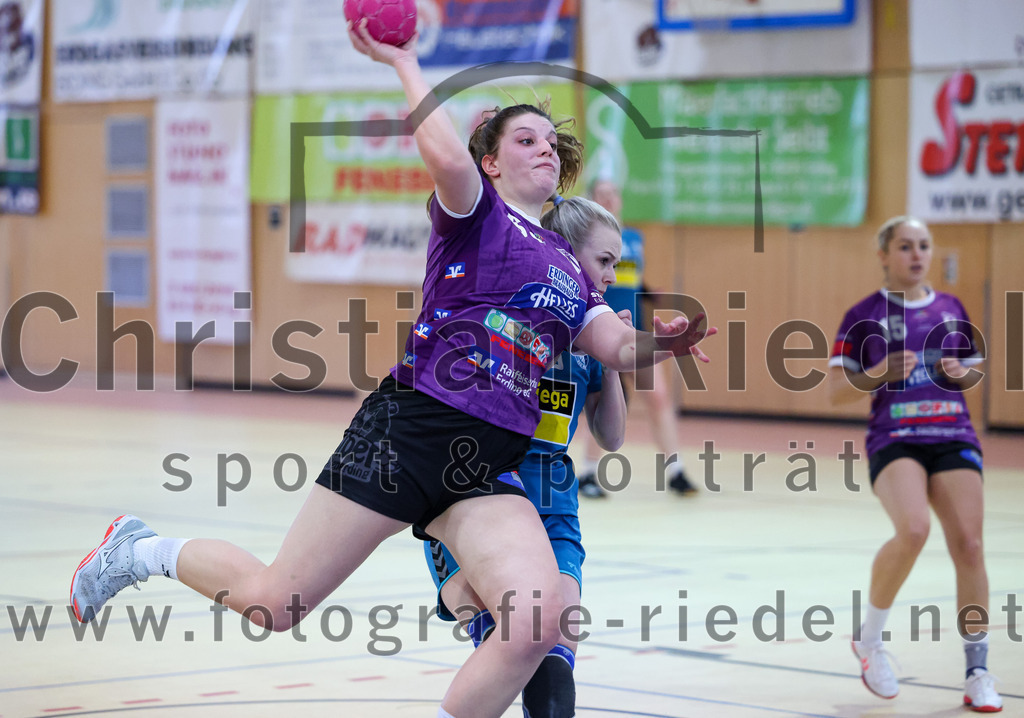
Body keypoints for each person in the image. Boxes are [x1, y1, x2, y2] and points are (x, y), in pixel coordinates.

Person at [69, 24, 715, 718]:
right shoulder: (479, 216)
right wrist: (406, 61)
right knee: (276, 602)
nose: (545, 150)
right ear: (491, 163)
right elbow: (444, 155)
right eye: (525, 139)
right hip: (409, 430)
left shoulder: (570, 269)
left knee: (536, 624)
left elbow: (615, 349)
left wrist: (667, 343)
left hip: (486, 463)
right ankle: (140, 549)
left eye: (551, 144)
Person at [425, 196, 628, 718]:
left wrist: (616, 364)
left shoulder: (591, 347)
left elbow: (611, 437)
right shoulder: (513, 320)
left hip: (554, 502)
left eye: (616, 264)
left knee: (560, 633)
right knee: (509, 625)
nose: (610, 275)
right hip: (480, 493)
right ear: (564, 254)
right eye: (603, 261)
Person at [828, 216, 1001, 712]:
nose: (917, 254)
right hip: (896, 436)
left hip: (952, 434)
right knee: (914, 529)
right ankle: (870, 640)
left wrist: (962, 373)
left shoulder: (951, 309)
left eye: (924, 245)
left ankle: (978, 670)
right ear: (884, 255)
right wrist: (877, 374)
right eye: (905, 246)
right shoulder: (863, 315)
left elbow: (972, 379)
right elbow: (837, 390)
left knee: (969, 544)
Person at [574, 178, 697, 498]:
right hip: (603, 332)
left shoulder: (632, 238)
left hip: (636, 332)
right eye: (601, 195)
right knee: (601, 402)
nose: (609, 199)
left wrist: (647, 290)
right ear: (591, 201)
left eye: (613, 193)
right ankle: (587, 472)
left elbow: (629, 279)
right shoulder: (586, 242)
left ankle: (676, 471)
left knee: (658, 396)